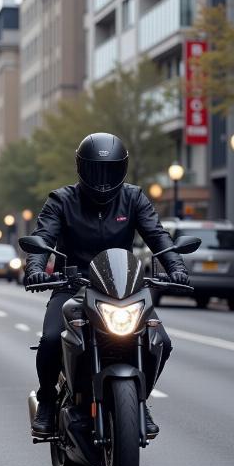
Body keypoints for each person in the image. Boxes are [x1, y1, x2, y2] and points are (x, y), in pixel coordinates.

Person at [25, 133, 190, 437]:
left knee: (161, 342)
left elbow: (158, 237)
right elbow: (43, 239)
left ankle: (139, 401)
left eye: (110, 171)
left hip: (122, 288)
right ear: (81, 169)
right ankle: (48, 401)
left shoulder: (134, 198)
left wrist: (176, 268)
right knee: (50, 340)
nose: (102, 180)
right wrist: (36, 269)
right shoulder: (61, 200)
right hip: (72, 286)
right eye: (95, 170)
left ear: (121, 170)